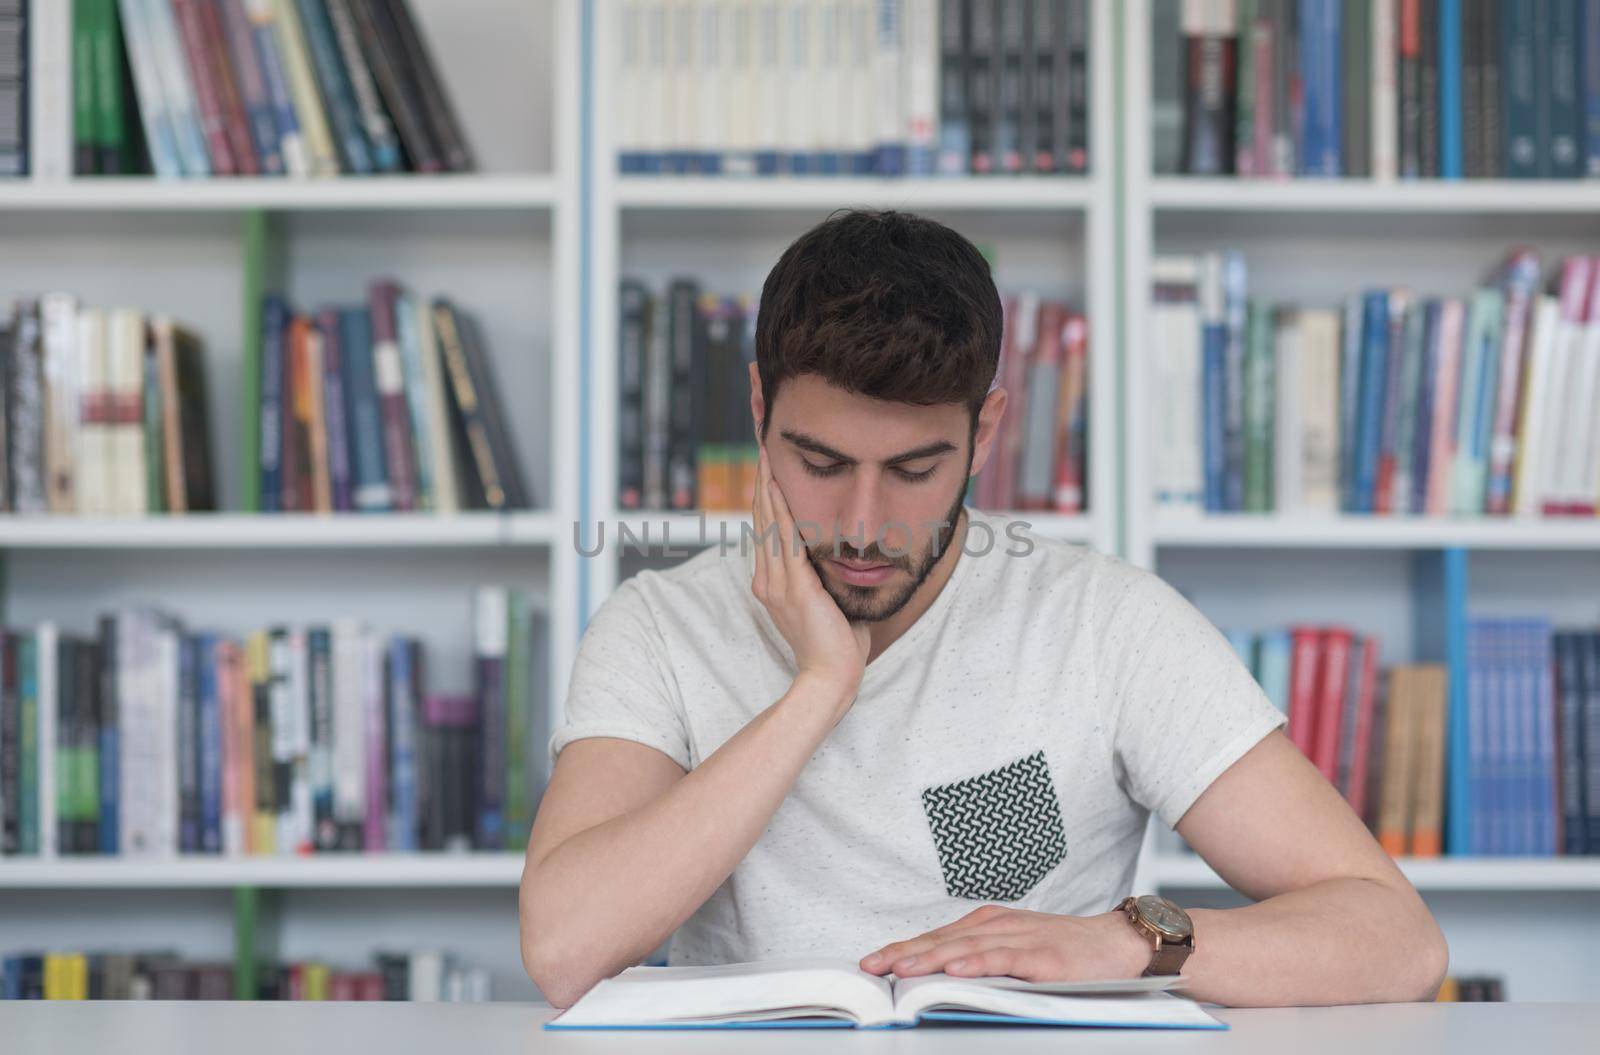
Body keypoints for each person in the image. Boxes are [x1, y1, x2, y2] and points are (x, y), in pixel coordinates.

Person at [518, 209, 1449, 1011]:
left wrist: (1129, 946)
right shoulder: (659, 627)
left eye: (915, 470)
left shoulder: (1106, 623)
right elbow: (565, 951)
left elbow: (1398, 940)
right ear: (759, 406)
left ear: (986, 433)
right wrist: (820, 686)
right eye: (821, 464)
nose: (864, 526)